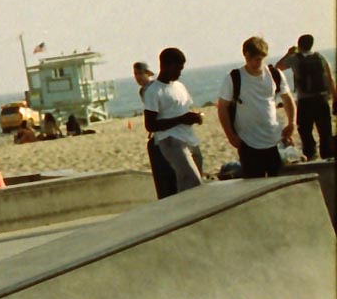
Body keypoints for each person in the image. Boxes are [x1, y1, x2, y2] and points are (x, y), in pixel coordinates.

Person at [217, 36, 297, 178]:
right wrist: (231, 136)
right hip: (248, 142)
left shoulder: (274, 75)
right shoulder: (234, 78)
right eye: (250, 58)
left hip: (275, 139)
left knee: (277, 185)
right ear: (245, 56)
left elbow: (287, 99)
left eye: (258, 59)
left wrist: (292, 123)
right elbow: (222, 107)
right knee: (254, 184)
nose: (254, 63)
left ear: (264, 56)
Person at [142, 48, 205, 194]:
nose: (180, 72)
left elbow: (182, 110)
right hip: (170, 140)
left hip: (189, 137)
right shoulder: (154, 91)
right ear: (166, 66)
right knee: (192, 180)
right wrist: (181, 119)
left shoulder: (179, 86)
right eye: (178, 68)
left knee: (193, 182)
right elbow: (150, 125)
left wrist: (193, 118)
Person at [278, 34, 335, 160]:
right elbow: (330, 80)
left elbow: (278, 68)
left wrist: (288, 53)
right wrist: (335, 98)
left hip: (305, 101)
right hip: (322, 99)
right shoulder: (320, 58)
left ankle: (311, 155)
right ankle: (328, 156)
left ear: (299, 45)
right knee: (325, 131)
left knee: (305, 131)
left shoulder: (294, 59)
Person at [133, 60, 179, 199]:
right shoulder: (143, 91)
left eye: (141, 73)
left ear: (148, 73)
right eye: (135, 74)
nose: (138, 77)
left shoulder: (153, 88)